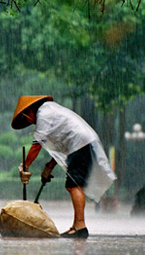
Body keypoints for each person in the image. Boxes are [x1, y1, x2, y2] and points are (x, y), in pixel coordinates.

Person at [11, 95, 116, 239]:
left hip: (80, 144)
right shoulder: (50, 111)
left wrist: (25, 166)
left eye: (26, 119)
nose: (29, 123)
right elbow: (59, 149)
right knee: (72, 184)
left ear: (29, 112)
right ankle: (76, 226)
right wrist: (49, 167)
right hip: (80, 143)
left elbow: (36, 146)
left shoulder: (43, 115)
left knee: (74, 185)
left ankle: (80, 226)